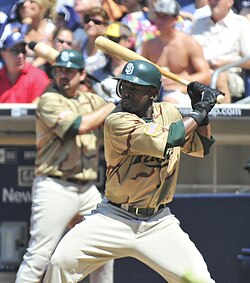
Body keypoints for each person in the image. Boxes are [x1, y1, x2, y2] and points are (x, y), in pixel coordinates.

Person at [43, 59, 224, 283]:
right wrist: (201, 109)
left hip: (158, 221)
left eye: (135, 89)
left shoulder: (168, 112)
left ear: (153, 93)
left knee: (198, 279)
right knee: (60, 263)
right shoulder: (117, 120)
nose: (126, 93)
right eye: (124, 86)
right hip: (114, 217)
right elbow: (171, 137)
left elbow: (202, 148)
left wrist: (202, 114)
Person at [15, 49, 115, 283]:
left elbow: (114, 119)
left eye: (70, 71)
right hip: (55, 185)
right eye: (60, 70)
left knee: (103, 251)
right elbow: (79, 126)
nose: (63, 75)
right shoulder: (49, 98)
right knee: (39, 255)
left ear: (82, 75)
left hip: (87, 188)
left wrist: (121, 96)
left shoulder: (91, 99)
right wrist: (112, 104)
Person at [141, 0, 211, 105]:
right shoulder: (149, 45)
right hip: (155, 93)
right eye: (157, 16)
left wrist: (179, 81)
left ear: (176, 19)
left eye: (164, 17)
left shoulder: (188, 43)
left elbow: (206, 76)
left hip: (182, 93)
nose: (159, 21)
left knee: (168, 102)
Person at [191, 0, 250, 103]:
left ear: (230, 2)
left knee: (219, 77)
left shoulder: (241, 23)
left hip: (230, 73)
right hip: (200, 71)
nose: (213, 2)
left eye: (217, 0)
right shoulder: (198, 23)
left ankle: (223, 117)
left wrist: (224, 64)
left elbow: (249, 59)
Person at [0, 31, 50, 103]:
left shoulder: (37, 76)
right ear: (3, 54)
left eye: (23, 51)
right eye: (15, 51)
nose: (21, 56)